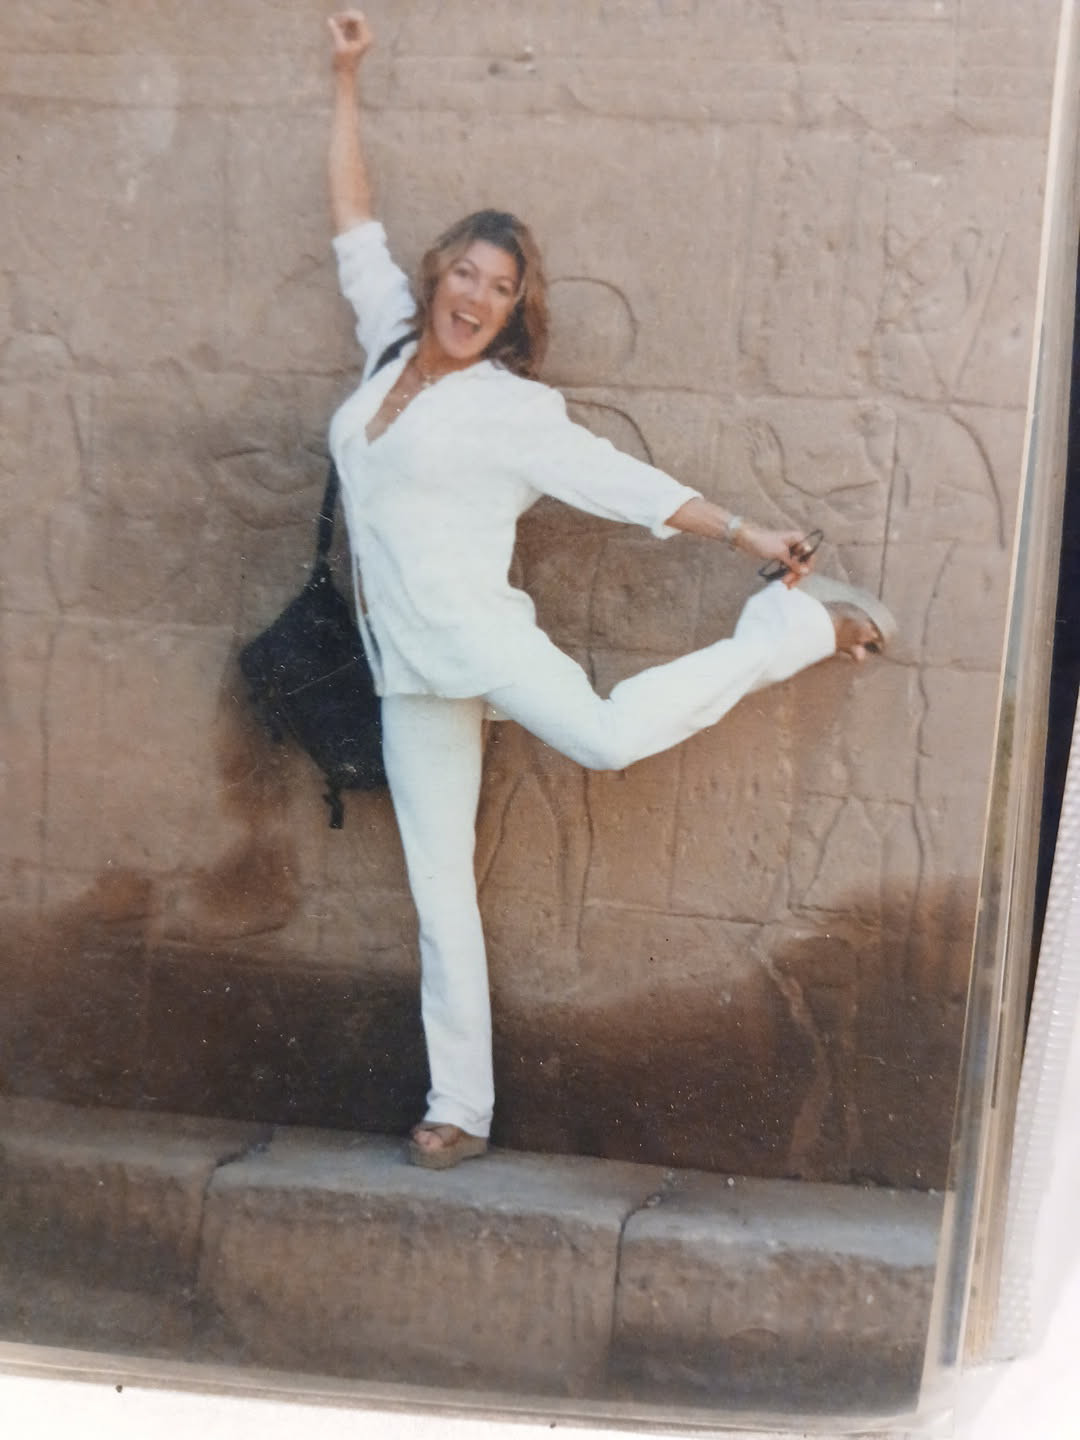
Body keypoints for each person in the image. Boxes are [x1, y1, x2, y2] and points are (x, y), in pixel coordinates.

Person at [324, 11, 895, 1170]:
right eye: (465, 273)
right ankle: (460, 1108)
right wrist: (346, 80)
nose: (474, 296)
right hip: (409, 673)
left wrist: (747, 532)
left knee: (606, 738)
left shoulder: (514, 411)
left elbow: (625, 484)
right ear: (438, 277)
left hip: (483, 643)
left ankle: (789, 629)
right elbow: (352, 219)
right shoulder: (387, 342)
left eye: (499, 288)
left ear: (513, 311)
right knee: (439, 891)